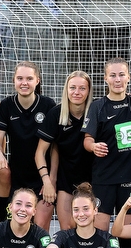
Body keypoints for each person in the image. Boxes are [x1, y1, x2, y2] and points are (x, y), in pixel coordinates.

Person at [82, 57, 131, 231]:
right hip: (104, 177)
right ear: (105, 78)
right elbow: (87, 139)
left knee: (128, 232)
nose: (117, 79)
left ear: (129, 77)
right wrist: (94, 146)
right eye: (112, 75)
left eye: (121, 75)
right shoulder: (98, 106)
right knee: (100, 231)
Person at [0, 61, 56, 229]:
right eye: (20, 78)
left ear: (37, 81)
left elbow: (56, 148)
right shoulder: (6, 105)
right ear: (14, 80)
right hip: (17, 177)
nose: (24, 83)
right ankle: (1, 219)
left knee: (39, 227)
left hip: (42, 179)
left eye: (29, 78)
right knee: (14, 228)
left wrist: (50, 180)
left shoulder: (49, 106)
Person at [37, 71, 94, 230]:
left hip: (94, 179)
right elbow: (40, 152)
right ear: (66, 90)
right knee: (67, 227)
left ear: (89, 91)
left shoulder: (96, 111)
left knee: (89, 227)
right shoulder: (57, 114)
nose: (77, 92)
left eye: (82, 88)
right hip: (66, 179)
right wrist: (47, 180)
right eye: (72, 87)